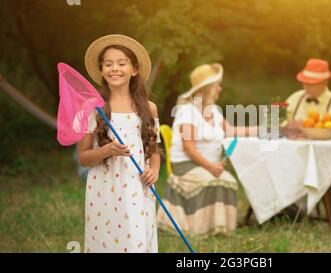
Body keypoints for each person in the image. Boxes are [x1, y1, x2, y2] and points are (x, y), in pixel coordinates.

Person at [77, 34, 161, 252]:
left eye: (121, 63)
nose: (115, 68)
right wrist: (107, 150)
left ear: (133, 70)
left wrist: (155, 170)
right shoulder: (93, 109)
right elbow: (83, 158)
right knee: (108, 238)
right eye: (108, 64)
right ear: (102, 71)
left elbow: (153, 149)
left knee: (135, 238)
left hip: (138, 186)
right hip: (104, 190)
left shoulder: (148, 108)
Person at [156, 63, 257, 235]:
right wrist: (210, 167)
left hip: (206, 164)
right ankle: (198, 229)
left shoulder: (214, 111)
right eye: (217, 85)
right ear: (208, 89)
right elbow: (189, 147)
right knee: (216, 180)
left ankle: (219, 229)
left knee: (229, 181)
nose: (220, 89)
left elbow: (231, 131)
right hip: (186, 165)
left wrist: (264, 129)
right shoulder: (187, 111)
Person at [282, 58, 331, 223]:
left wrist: (305, 129)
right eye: (305, 82)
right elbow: (280, 121)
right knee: (280, 179)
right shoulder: (295, 98)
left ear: (325, 82)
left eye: (312, 83)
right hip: (295, 157)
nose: (306, 87)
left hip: (326, 158)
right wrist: (287, 125)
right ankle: (300, 216)